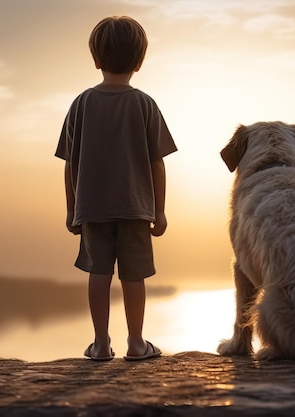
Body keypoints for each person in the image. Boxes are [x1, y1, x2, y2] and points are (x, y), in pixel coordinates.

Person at [55, 16, 177, 361]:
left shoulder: (81, 103)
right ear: (139, 62)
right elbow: (157, 161)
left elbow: (69, 161)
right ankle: (137, 344)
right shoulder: (144, 104)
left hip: (92, 207)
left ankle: (99, 344)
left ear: (96, 59)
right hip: (137, 207)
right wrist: (160, 209)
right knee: (134, 275)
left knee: (99, 272)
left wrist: (71, 207)